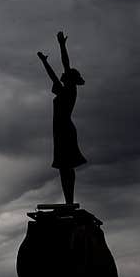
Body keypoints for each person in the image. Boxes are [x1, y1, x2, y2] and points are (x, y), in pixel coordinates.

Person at [37, 31, 86, 204]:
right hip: (59, 131)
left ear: (71, 80)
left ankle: (70, 202)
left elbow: (66, 64)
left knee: (67, 166)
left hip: (65, 129)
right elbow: (52, 75)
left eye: (67, 76)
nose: (63, 76)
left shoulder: (70, 90)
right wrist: (44, 62)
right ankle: (68, 202)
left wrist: (62, 46)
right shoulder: (62, 89)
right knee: (63, 168)